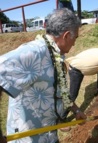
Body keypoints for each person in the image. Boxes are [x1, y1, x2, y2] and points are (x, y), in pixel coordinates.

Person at [0, 8, 81, 143]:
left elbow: (60, 91)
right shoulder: (35, 52)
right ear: (66, 35)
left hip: (49, 136)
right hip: (28, 138)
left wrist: (76, 110)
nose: (75, 43)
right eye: (75, 38)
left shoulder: (55, 55)